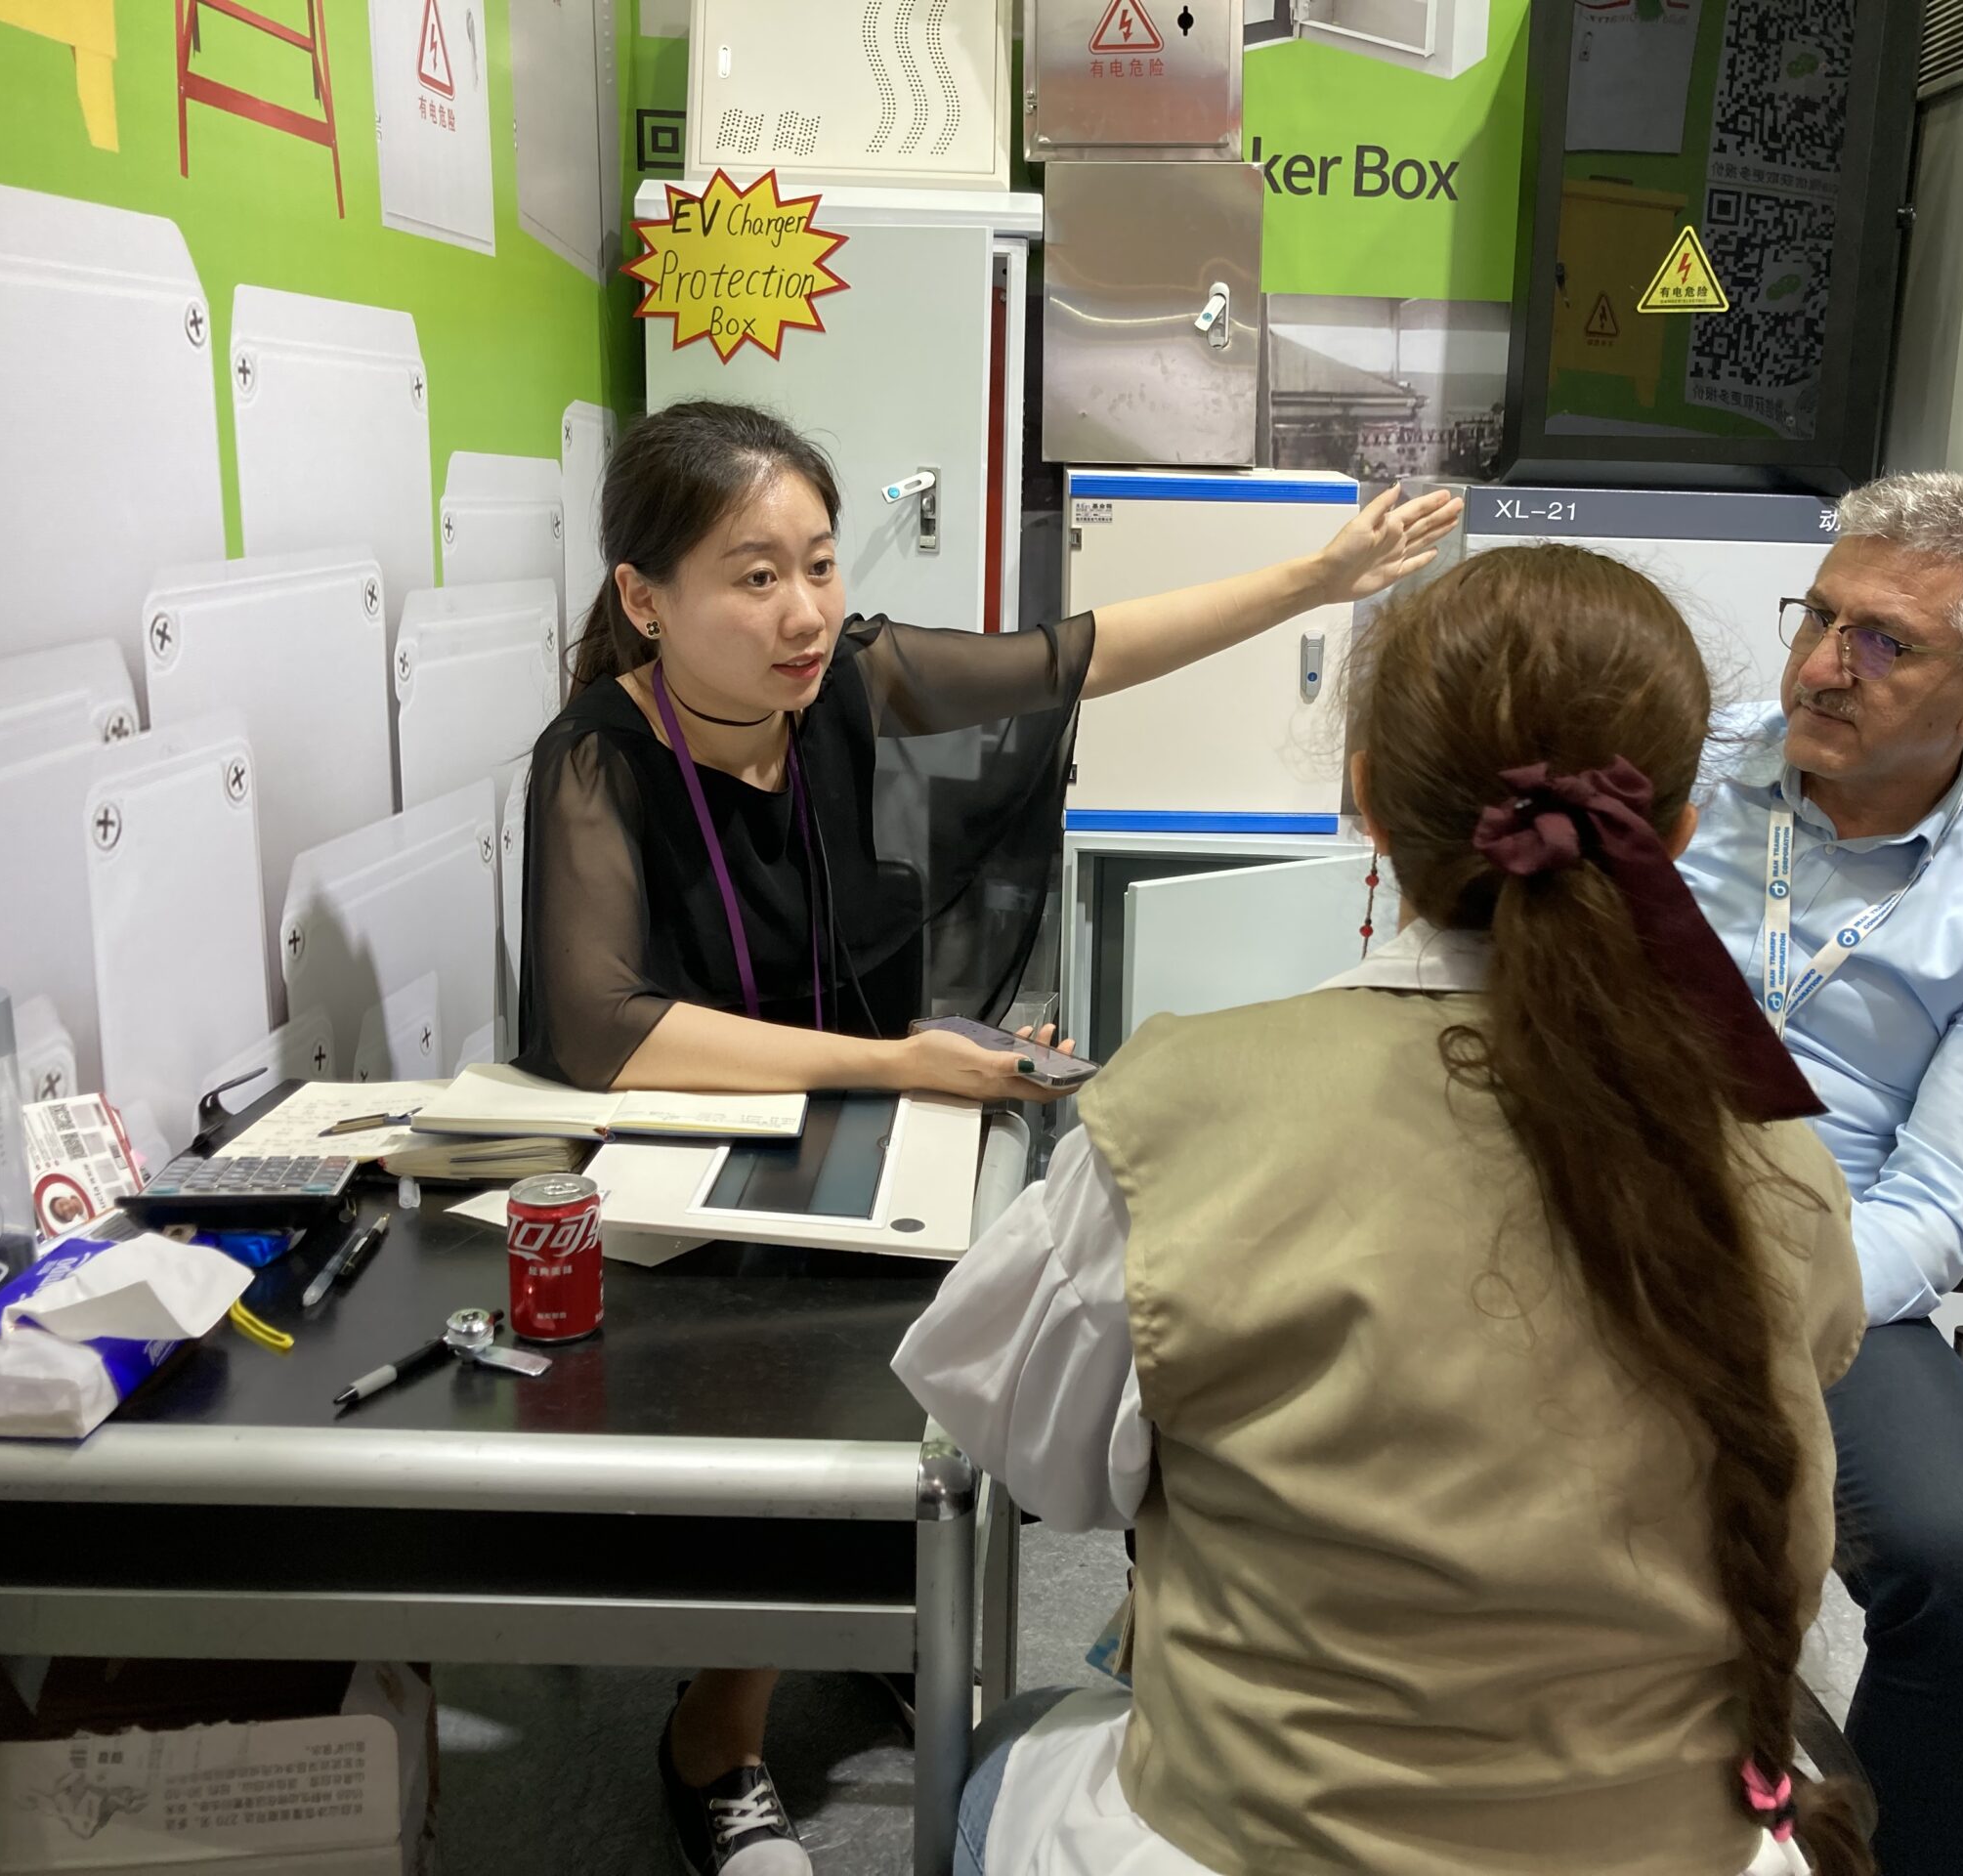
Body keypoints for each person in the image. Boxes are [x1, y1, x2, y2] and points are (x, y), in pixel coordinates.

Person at [514, 399, 1460, 1876]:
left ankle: (852, 1627)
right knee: (820, 1400)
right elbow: (610, 1031)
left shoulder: (849, 681)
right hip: (680, 1174)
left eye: (818, 564)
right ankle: (717, 1732)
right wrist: (899, 1061)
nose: (804, 611)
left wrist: (1315, 579)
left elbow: (1083, 651)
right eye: (753, 576)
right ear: (645, 599)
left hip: (867, 1132)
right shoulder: (594, 757)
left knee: (933, 1382)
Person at [897, 544, 1878, 1876]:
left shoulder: (1182, 1108)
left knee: (999, 1753)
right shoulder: (1773, 1153)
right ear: (1681, 832)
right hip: (1677, 1849)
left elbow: (1036, 1456)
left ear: (1363, 797)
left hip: (1251, 1840)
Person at [1675, 472, 1963, 1876]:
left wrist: (1781, 1309)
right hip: (1580, 1197)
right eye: (1820, 616)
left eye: (1883, 644)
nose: (1818, 668)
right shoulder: (1684, 768)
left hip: (1829, 1269)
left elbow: (1944, 1199)